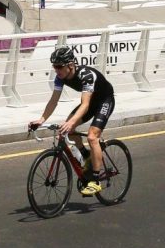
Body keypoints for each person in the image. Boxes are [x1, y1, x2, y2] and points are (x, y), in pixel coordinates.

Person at [28, 45, 115, 196]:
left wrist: (71, 122)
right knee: (70, 129)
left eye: (59, 66)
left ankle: (95, 181)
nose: (56, 70)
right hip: (89, 103)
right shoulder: (60, 77)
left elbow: (85, 104)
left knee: (92, 136)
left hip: (104, 100)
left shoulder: (86, 75)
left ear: (70, 65)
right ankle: (87, 155)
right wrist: (41, 120)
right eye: (54, 67)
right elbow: (53, 101)